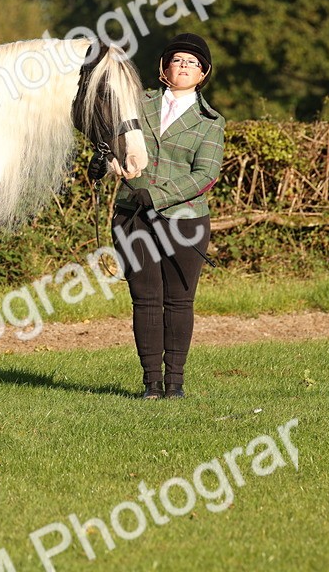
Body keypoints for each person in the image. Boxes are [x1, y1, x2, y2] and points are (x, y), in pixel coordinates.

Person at [95, 33, 225, 400]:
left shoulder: (211, 121)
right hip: (132, 216)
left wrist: (157, 196)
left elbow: (206, 174)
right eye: (177, 60)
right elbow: (115, 140)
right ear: (164, 68)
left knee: (179, 301)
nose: (184, 66)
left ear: (203, 73)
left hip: (185, 223)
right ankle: (151, 382)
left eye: (192, 63)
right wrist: (103, 160)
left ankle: (175, 383)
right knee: (145, 299)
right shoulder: (137, 103)